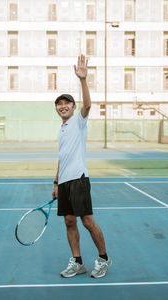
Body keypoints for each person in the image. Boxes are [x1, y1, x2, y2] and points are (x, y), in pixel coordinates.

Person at [52, 54, 111, 278]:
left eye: (67, 103)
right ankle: (78, 262)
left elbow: (87, 104)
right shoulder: (62, 130)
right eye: (59, 103)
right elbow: (62, 157)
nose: (63, 106)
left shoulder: (78, 121)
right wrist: (56, 182)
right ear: (56, 109)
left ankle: (104, 259)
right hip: (65, 182)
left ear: (73, 107)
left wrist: (83, 80)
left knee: (87, 221)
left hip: (79, 179)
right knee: (69, 222)